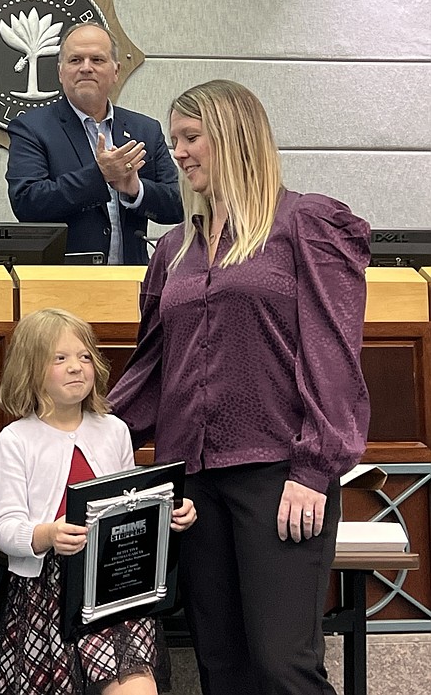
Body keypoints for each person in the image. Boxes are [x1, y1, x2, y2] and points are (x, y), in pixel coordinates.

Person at [109, 79, 371, 695]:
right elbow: (152, 368)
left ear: (234, 137)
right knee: (220, 665)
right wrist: (81, 432)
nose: (179, 152)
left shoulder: (307, 223)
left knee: (283, 666)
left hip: (277, 474)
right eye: (175, 140)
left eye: (191, 138)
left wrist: (313, 470)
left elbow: (334, 355)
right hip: (192, 482)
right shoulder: (173, 247)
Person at [0, 308, 196, 695]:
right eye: (60, 358)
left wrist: (168, 513)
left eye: (84, 357)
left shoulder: (113, 430)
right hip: (48, 591)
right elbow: (4, 527)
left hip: (113, 584)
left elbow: (131, 505)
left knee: (134, 687)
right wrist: (46, 533)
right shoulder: (16, 439)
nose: (76, 367)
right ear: (30, 369)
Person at [6, 23, 182, 265]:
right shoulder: (32, 129)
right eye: (75, 60)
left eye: (97, 60)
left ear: (116, 71)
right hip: (65, 282)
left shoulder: (145, 130)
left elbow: (178, 203)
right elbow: (26, 203)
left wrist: (136, 190)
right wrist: (99, 176)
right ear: (60, 72)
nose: (86, 68)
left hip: (132, 282)